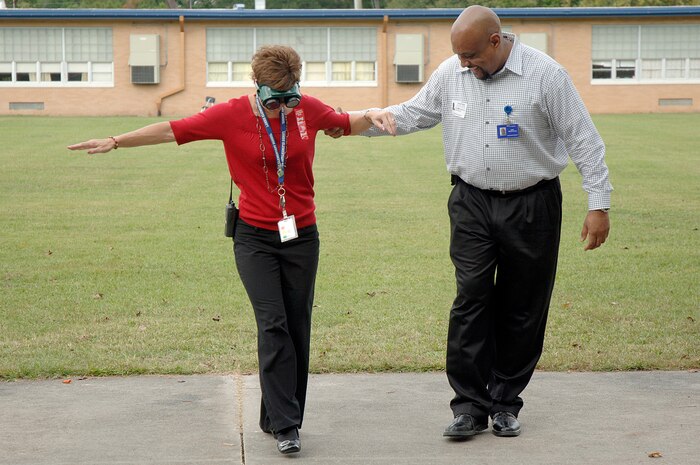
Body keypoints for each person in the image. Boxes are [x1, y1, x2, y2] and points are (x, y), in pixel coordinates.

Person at [68, 45, 373, 455]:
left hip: (302, 235)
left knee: (297, 326)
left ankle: (277, 414)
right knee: (273, 323)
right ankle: (287, 426)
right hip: (253, 238)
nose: (281, 108)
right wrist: (115, 140)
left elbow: (345, 122)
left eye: (289, 97)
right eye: (273, 99)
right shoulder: (230, 115)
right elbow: (171, 130)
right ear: (256, 85)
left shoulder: (306, 110)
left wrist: (378, 116)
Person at [352, 5, 612, 438]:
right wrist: (355, 123)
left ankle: (505, 402)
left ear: (496, 41)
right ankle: (469, 406)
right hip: (471, 201)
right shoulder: (453, 72)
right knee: (471, 297)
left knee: (522, 304)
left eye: (471, 56)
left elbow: (584, 139)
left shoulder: (546, 76)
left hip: (532, 205)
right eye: (459, 56)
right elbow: (415, 113)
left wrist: (598, 205)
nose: (464, 65)